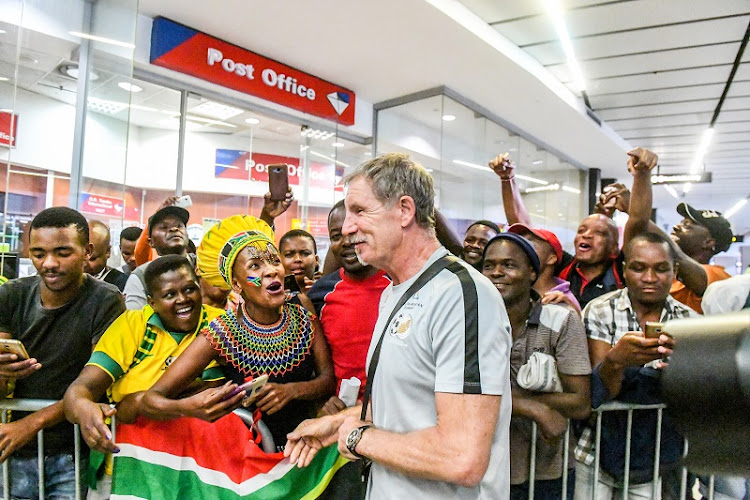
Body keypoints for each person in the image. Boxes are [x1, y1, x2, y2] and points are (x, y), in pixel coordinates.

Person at [285, 153, 512, 498]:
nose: (346, 228)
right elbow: (410, 397)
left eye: (360, 211)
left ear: (405, 210)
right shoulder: (395, 290)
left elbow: (461, 457)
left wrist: (357, 437)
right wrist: (339, 422)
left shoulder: (462, 295)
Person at [139, 215, 335, 450]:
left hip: (306, 447)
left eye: (274, 260)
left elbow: (327, 380)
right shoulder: (222, 332)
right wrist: (190, 407)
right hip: (246, 457)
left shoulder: (301, 309)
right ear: (236, 284)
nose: (271, 270)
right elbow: (152, 399)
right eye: (255, 266)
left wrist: (292, 391)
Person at [63, 254, 225, 497]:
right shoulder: (132, 325)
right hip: (125, 466)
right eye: (170, 295)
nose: (183, 300)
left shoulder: (218, 324)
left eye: (190, 289)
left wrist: (138, 402)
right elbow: (82, 387)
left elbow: (215, 387)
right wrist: (83, 408)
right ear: (151, 302)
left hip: (193, 467)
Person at [0, 207, 124, 499]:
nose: (49, 263)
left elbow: (96, 381)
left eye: (62, 252)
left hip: (72, 452)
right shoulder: (12, 294)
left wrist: (31, 423)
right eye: (39, 253)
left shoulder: (106, 300)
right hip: (13, 448)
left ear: (87, 251)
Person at [574, 231, 699, 499]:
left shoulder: (691, 321)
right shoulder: (599, 310)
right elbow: (601, 392)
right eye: (639, 268)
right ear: (624, 270)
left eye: (661, 269)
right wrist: (616, 360)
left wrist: (681, 376)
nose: (650, 278)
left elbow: (697, 392)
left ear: (675, 271)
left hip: (655, 451)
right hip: (594, 447)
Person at [482, 233, 591, 499]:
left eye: (509, 265)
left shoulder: (560, 321)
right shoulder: (469, 321)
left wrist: (508, 397)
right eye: (488, 265)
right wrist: (532, 407)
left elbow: (580, 402)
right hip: (483, 465)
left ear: (532, 272)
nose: (497, 272)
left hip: (545, 469)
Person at [490, 153, 624, 310]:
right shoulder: (566, 268)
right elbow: (522, 225)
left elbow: (638, 224)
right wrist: (507, 180)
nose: (586, 235)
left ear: (614, 248)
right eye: (582, 230)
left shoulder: (620, 271)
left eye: (599, 233)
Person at [618, 147, 732, 314]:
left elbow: (677, 255)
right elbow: (638, 224)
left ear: (709, 242)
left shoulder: (719, 278)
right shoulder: (662, 275)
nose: (677, 227)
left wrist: (634, 204)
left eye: (688, 226)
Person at [308, 200, 391, 411]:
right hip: (339, 418)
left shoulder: (401, 284)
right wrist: (321, 405)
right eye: (337, 236)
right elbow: (314, 366)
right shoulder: (320, 294)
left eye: (353, 232)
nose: (346, 241)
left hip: (394, 416)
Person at [123, 205, 192, 310]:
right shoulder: (141, 276)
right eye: (164, 227)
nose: (174, 229)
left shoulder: (204, 267)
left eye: (179, 225)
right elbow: (133, 321)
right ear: (151, 242)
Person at [506, 223, 581, 311]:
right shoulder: (513, 291)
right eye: (519, 245)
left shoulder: (565, 301)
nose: (522, 249)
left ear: (551, 259)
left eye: (530, 244)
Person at [86, 220, 129, 292]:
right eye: (82, 257)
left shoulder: (123, 284)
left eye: (92, 259)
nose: (84, 264)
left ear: (107, 251)